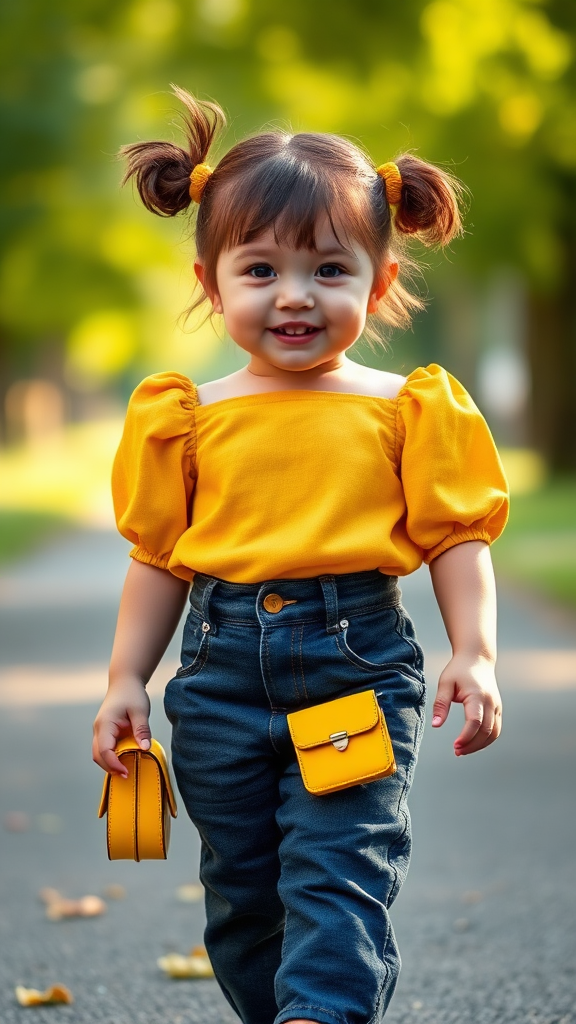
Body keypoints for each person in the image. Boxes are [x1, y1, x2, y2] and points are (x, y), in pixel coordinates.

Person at [92, 86, 509, 1024]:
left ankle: (321, 1015)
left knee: (337, 872)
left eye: (328, 269)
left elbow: (456, 537)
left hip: (353, 664)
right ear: (211, 283)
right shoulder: (188, 417)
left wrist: (474, 651)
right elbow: (159, 559)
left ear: (379, 277)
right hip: (219, 676)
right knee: (244, 896)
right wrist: (127, 677)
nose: (295, 295)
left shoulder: (407, 407)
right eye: (261, 270)